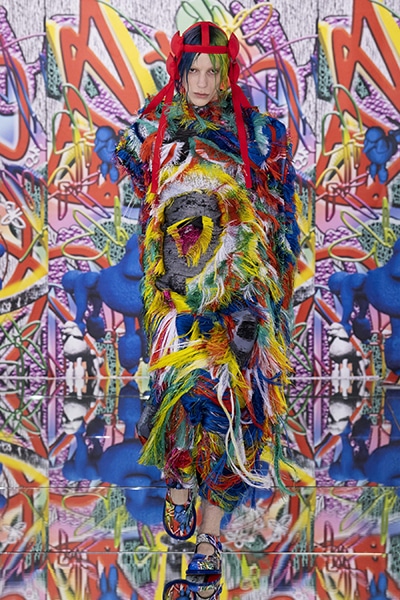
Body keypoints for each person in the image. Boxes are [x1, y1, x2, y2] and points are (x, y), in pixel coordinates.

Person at [115, 20, 300, 595]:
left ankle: (211, 536)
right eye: (192, 69)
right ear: (179, 71)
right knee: (179, 393)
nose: (201, 81)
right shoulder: (154, 127)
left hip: (236, 291)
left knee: (231, 404)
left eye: (211, 71)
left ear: (226, 74)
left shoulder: (255, 132)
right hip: (175, 287)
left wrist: (268, 270)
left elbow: (279, 201)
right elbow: (143, 186)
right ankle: (177, 483)